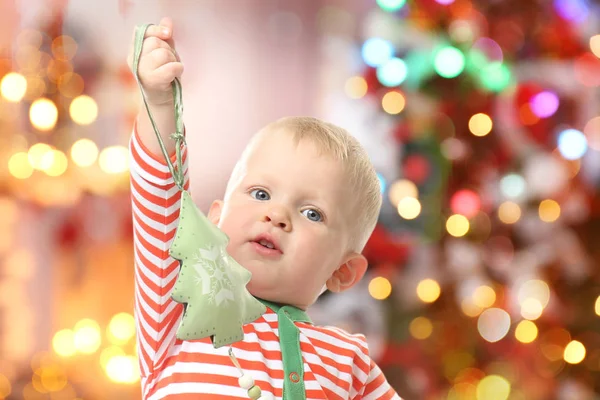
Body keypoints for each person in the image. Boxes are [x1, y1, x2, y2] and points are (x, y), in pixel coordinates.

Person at [128, 17, 402, 400]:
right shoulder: (177, 310)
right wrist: (158, 102)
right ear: (214, 219)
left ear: (342, 271)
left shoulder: (348, 361)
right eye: (260, 194)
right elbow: (160, 199)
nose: (277, 216)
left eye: (312, 213)